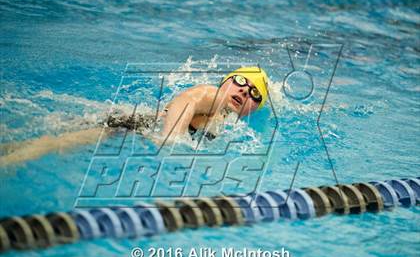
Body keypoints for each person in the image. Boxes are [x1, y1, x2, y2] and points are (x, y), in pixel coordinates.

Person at [0, 66, 269, 166]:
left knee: (30, 142)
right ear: (225, 81)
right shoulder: (213, 95)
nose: (245, 90)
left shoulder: (225, 117)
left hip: (131, 127)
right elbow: (185, 101)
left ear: (253, 109)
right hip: (126, 126)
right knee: (51, 145)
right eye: (240, 80)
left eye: (254, 93)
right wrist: (172, 139)